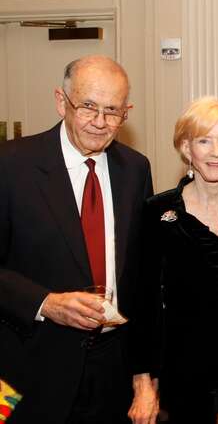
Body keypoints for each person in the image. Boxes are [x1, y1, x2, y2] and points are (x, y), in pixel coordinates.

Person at [0, 55, 153, 424]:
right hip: (27, 366)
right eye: (88, 106)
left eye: (113, 111)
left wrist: (143, 375)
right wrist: (46, 303)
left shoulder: (135, 169)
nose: (100, 123)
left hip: (111, 369)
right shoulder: (10, 165)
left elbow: (141, 279)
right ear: (60, 101)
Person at [129, 97, 218, 424]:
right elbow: (144, 303)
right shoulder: (156, 212)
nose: (215, 151)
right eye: (204, 141)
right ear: (186, 148)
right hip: (182, 376)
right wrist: (143, 382)